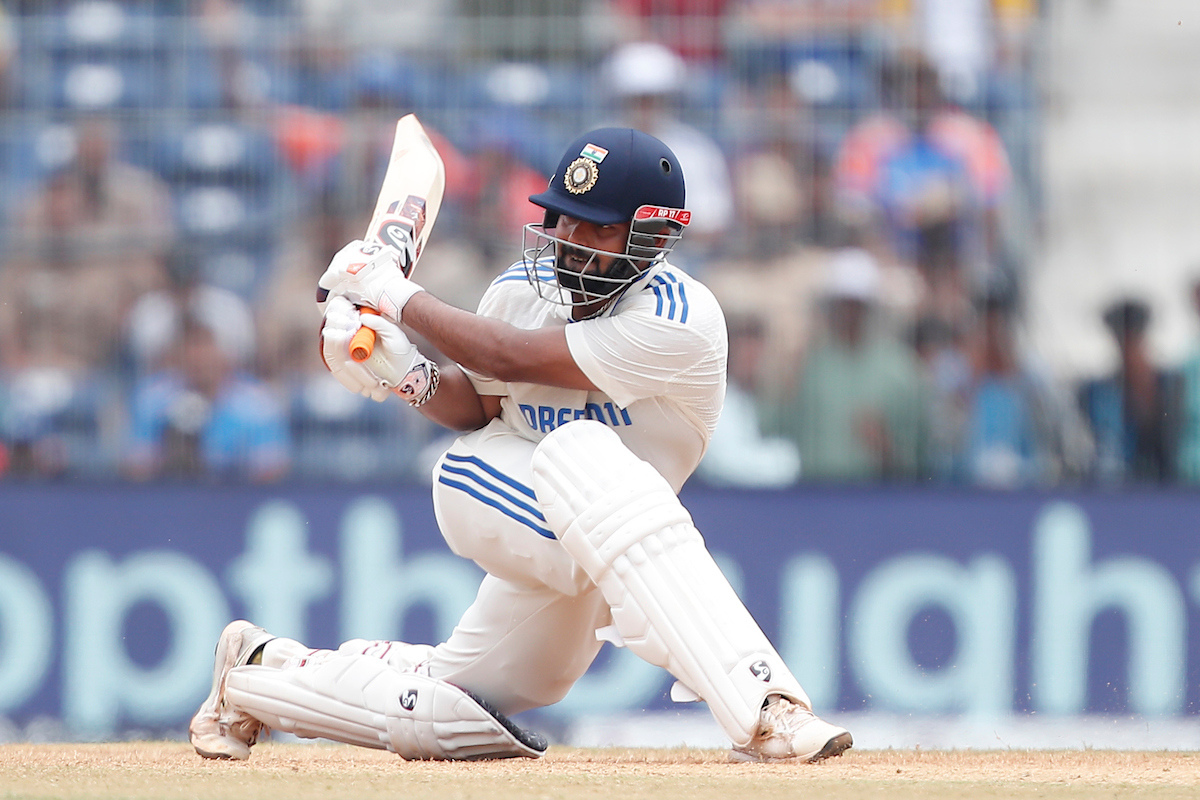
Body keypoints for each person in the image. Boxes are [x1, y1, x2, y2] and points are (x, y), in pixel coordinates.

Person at [188, 128, 852, 763]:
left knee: (449, 710)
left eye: (596, 226)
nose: (568, 241)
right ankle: (766, 704)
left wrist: (391, 293)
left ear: (653, 235)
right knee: (578, 450)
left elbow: (512, 354)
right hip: (488, 482)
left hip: (610, 542)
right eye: (562, 219)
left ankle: (256, 672)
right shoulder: (519, 290)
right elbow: (477, 403)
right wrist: (409, 378)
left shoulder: (681, 321)